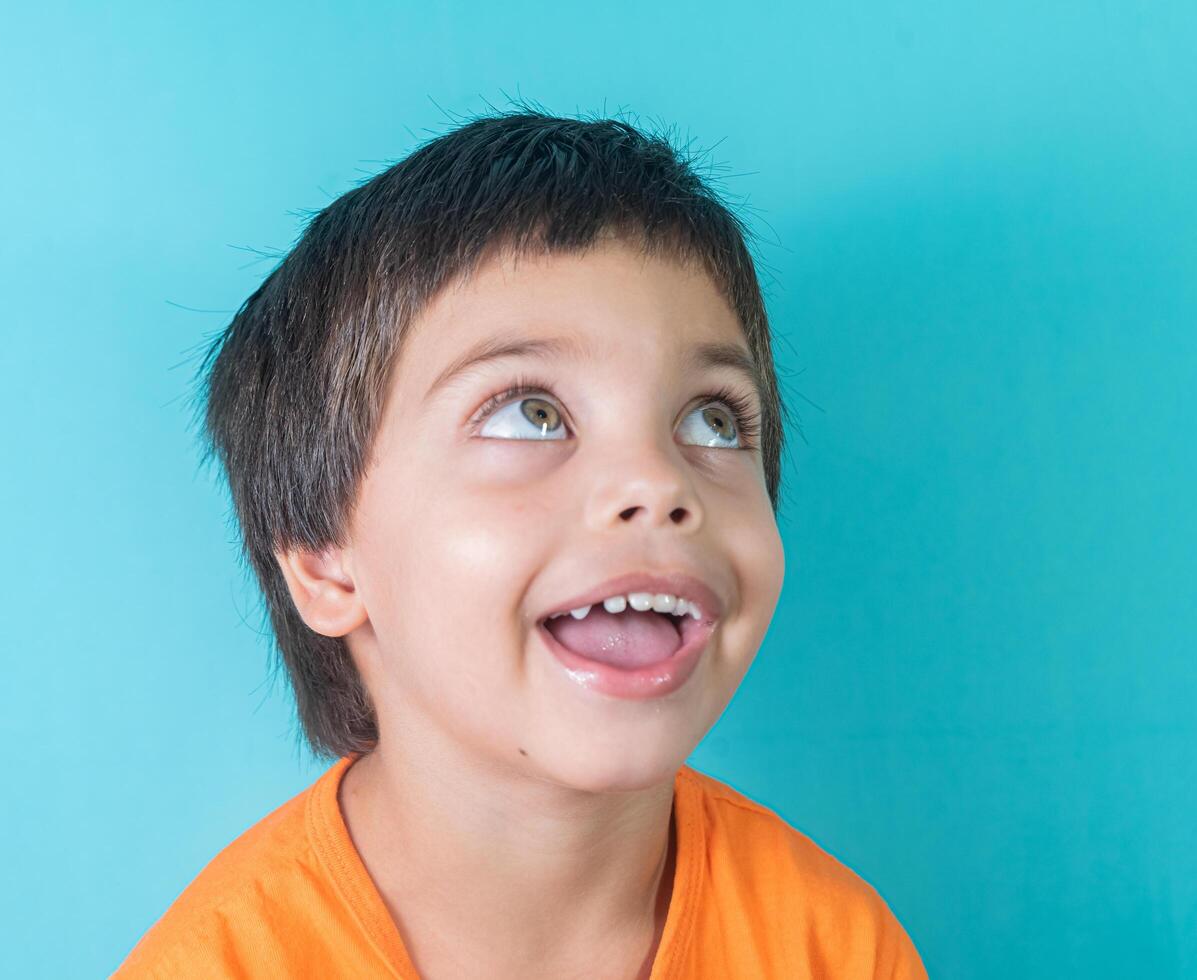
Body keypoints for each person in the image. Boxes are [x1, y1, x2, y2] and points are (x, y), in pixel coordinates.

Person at [114, 106, 930, 979]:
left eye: (712, 418)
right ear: (323, 559)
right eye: (531, 413)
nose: (659, 481)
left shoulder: (836, 949)